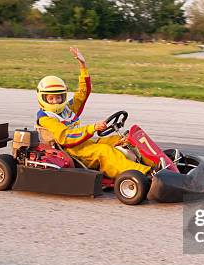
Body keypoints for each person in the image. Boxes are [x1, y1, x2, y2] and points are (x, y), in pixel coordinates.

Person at [35, 47, 151, 179]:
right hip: (72, 152)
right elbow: (65, 137)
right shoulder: (46, 118)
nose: (56, 101)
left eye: (58, 97)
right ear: (43, 98)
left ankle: (158, 163)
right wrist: (93, 128)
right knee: (104, 151)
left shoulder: (67, 109)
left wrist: (82, 65)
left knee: (123, 139)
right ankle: (144, 174)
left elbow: (83, 93)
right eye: (51, 98)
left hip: (86, 144)